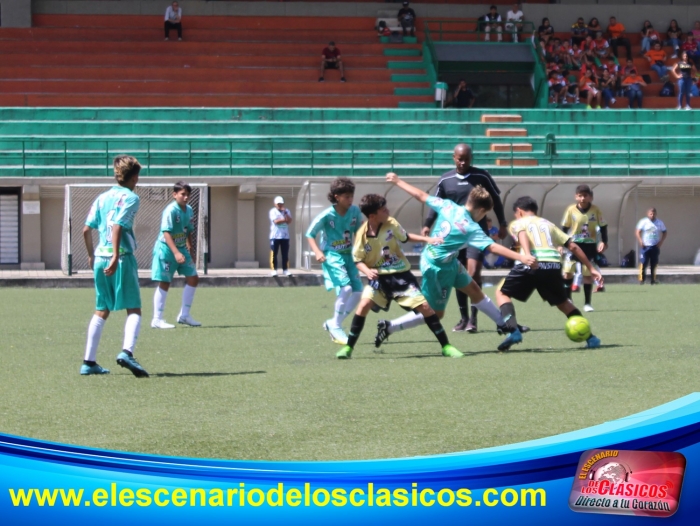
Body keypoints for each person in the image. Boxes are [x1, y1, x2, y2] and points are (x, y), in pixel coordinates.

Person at [374, 174, 535, 348]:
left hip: (449, 262)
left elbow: (421, 196)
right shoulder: (471, 227)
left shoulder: (448, 205)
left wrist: (398, 181)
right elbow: (493, 247)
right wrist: (521, 257)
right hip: (437, 268)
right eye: (485, 214)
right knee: (436, 313)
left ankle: (504, 325)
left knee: (474, 289)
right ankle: (390, 327)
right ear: (481, 211)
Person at [335, 193, 460, 359]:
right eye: (383, 209)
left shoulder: (391, 223)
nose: (388, 210)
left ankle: (446, 346)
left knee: (426, 308)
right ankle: (348, 348)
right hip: (378, 279)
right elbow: (358, 260)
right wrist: (367, 271)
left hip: (401, 276)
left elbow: (406, 237)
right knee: (363, 305)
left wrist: (428, 239)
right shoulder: (361, 235)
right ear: (372, 216)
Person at [420, 144, 528, 335]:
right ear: (453, 157)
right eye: (459, 159)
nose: (462, 162)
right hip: (454, 238)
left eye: (466, 159)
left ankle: (474, 319)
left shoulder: (482, 176)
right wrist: (428, 223)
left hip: (476, 234)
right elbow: (435, 205)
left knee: (473, 273)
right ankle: (464, 319)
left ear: (471, 158)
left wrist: (502, 223)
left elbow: (495, 200)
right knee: (457, 276)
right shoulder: (446, 179)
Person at [496, 196, 602, 352]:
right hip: (552, 265)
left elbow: (522, 233)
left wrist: (526, 254)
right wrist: (591, 268)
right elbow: (572, 247)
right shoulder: (549, 224)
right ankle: (591, 338)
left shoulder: (518, 223)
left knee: (502, 293)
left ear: (519, 211)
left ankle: (514, 331)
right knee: (564, 303)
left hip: (531, 264)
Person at [81, 155, 148, 377]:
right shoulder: (131, 198)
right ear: (135, 176)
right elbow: (118, 226)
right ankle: (127, 352)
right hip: (120, 258)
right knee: (134, 309)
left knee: (102, 309)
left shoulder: (102, 198)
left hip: (100, 257)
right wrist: (115, 256)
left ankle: (88, 362)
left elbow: (86, 229)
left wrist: (92, 256)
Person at [305, 178, 363, 345]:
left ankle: (333, 323)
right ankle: (336, 326)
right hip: (332, 254)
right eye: (346, 196)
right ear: (336, 196)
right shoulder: (327, 215)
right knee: (346, 288)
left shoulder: (355, 212)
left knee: (358, 292)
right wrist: (317, 251)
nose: (350, 199)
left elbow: (360, 232)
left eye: (351, 196)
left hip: (349, 255)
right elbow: (310, 233)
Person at [150, 181, 201, 329]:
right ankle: (157, 319)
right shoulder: (170, 210)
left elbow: (189, 230)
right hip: (166, 249)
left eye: (187, 195)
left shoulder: (189, 210)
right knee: (165, 282)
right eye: (182, 194)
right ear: (174, 195)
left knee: (193, 278)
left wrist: (190, 248)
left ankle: (184, 315)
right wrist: (176, 252)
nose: (185, 197)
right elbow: (166, 232)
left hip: (181, 248)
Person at [561, 184, 607, 312]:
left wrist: (603, 241)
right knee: (567, 272)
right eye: (580, 196)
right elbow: (564, 228)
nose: (582, 198)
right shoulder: (571, 210)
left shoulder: (596, 210)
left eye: (585, 196)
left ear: (590, 197)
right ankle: (569, 299)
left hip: (589, 245)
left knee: (588, 274)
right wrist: (562, 244)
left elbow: (603, 227)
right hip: (573, 244)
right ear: (576, 196)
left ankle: (587, 303)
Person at [635, 207, 667, 285]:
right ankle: (642, 280)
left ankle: (653, 280)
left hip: (654, 246)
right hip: (645, 246)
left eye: (653, 214)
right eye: (651, 214)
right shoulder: (643, 222)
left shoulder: (659, 222)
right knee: (643, 263)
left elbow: (665, 232)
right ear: (648, 214)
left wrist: (661, 242)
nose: (652, 215)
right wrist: (640, 241)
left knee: (654, 264)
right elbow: (638, 232)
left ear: (656, 214)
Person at [269, 196, 292, 276]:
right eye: (278, 204)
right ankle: (274, 270)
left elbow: (289, 221)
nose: (280, 205)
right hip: (275, 236)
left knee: (285, 254)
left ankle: (285, 269)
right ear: (275, 204)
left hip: (285, 236)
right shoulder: (273, 211)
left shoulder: (287, 211)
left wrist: (285, 213)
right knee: (274, 253)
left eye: (281, 204)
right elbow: (276, 221)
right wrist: (284, 220)